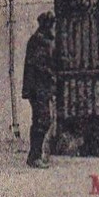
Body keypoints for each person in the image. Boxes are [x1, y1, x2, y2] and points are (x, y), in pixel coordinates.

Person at [22, 11, 57, 167]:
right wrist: (52, 74)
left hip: (41, 88)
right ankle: (34, 156)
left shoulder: (41, 40)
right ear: (47, 25)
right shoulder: (39, 41)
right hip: (38, 88)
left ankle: (35, 155)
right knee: (42, 120)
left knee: (41, 120)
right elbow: (41, 66)